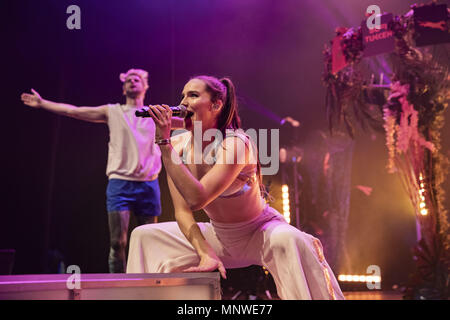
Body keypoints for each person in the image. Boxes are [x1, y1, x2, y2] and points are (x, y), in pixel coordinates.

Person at [126, 75, 345, 299]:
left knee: (293, 240)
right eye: (182, 95)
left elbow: (197, 199)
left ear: (216, 105)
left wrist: (164, 142)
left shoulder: (236, 143)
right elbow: (183, 211)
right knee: (144, 236)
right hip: (219, 235)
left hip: (259, 233)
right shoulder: (179, 144)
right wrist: (205, 253)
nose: (183, 102)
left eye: (192, 95)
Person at [20, 68, 162, 273]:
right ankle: (118, 287)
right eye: (129, 79)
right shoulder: (112, 111)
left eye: (137, 79)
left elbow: (190, 123)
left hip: (149, 183)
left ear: (145, 86)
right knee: (118, 243)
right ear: (123, 88)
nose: (133, 81)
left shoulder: (154, 113)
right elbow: (73, 111)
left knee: (149, 240)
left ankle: (148, 285)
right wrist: (42, 103)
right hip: (120, 183)